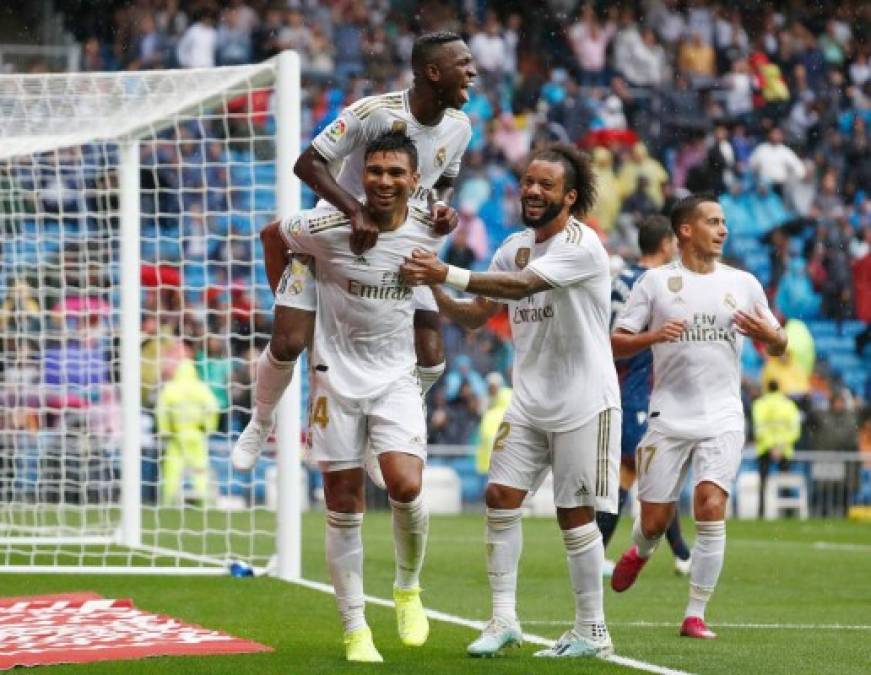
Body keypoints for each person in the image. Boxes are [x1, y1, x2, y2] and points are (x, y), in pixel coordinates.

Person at [400, 143, 620, 659]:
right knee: (500, 499)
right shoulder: (513, 246)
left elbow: (521, 288)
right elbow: (479, 314)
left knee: (574, 514)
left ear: (569, 195)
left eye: (546, 185)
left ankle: (593, 631)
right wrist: (425, 291)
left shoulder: (582, 245)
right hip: (529, 402)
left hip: (585, 402)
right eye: (527, 181)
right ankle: (503, 620)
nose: (533, 191)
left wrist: (444, 272)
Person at [232, 31, 476, 473]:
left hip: (402, 240)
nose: (473, 72)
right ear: (433, 72)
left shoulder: (461, 126)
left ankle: (389, 429)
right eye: (464, 64)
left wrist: (440, 209)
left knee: (432, 351)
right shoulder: (372, 113)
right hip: (338, 234)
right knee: (288, 342)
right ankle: (261, 420)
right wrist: (354, 211)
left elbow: (441, 180)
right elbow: (307, 163)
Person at [260, 132, 442, 663]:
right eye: (375, 171)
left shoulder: (430, 224)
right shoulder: (325, 226)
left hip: (394, 377)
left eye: (395, 173)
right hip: (333, 377)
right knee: (343, 503)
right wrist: (293, 305)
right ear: (361, 175)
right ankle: (355, 628)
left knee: (406, 485)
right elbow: (273, 235)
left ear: (413, 180)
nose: (383, 181)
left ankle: (408, 589)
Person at [609, 193, 787, 639]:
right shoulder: (654, 283)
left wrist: (772, 336)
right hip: (668, 415)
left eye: (724, 221)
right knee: (653, 521)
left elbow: (779, 341)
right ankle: (641, 549)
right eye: (713, 221)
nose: (723, 229)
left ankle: (695, 613)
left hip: (723, 415)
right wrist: (652, 336)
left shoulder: (744, 283)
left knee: (711, 505)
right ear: (685, 231)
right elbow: (616, 342)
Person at [597, 215, 692, 577]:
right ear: (667, 244)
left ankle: (596, 551)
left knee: (633, 470)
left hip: (621, 382)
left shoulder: (618, 280)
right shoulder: (653, 283)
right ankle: (682, 553)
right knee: (647, 471)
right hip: (635, 386)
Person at [156, 357, 219, 507]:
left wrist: (164, 430)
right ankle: (203, 500)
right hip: (196, 434)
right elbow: (213, 407)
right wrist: (209, 427)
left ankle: (168, 501)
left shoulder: (170, 388)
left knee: (172, 468)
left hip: (176, 435)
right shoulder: (200, 387)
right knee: (200, 468)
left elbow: (161, 410)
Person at [752, 380, 801, 518]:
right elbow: (795, 429)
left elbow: (759, 428)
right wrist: (781, 446)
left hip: (765, 448)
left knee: (763, 482)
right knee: (784, 481)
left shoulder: (760, 404)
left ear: (767, 388)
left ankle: (761, 512)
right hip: (784, 449)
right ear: (780, 388)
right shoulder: (789, 405)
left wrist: (771, 446)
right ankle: (787, 512)